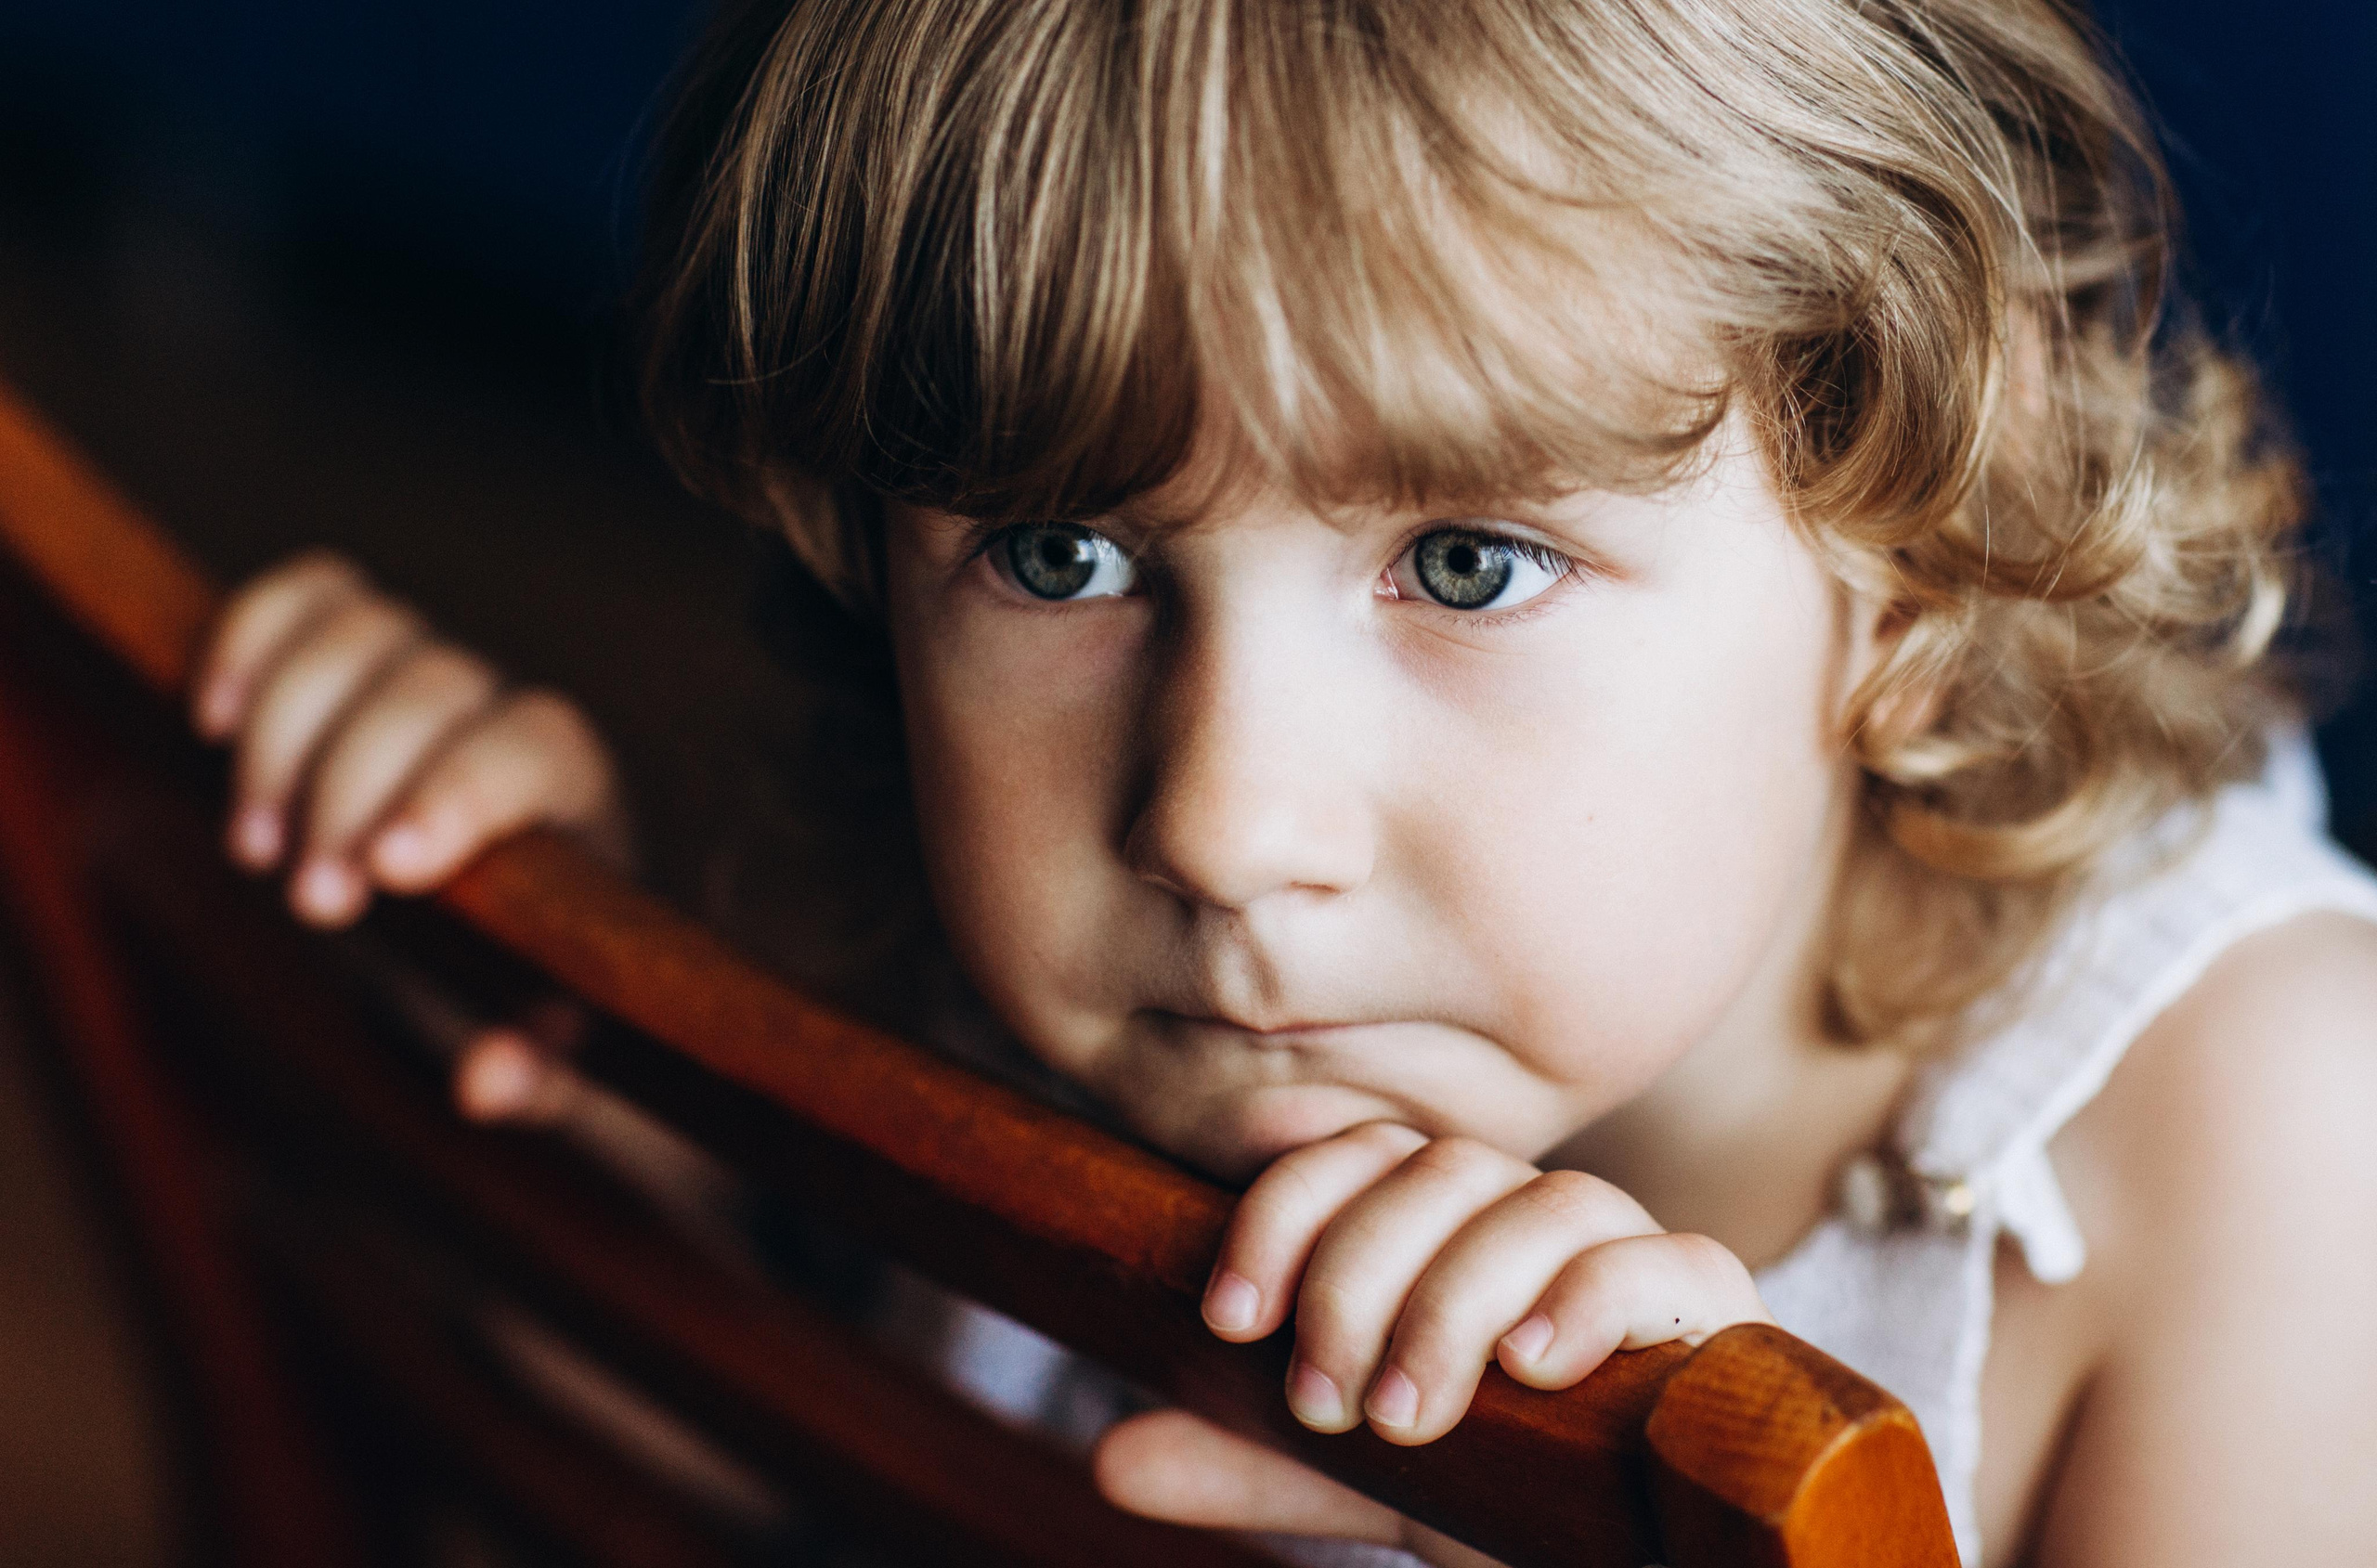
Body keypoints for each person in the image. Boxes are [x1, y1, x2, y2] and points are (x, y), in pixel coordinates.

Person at [182, 1, 2377, 1562]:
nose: (1215, 821)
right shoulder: (1016, 992)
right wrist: (564, 1064)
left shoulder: (2259, 1157)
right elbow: (788, 1495)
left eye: (1466, 560)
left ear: (1906, 543)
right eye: (1057, 553)